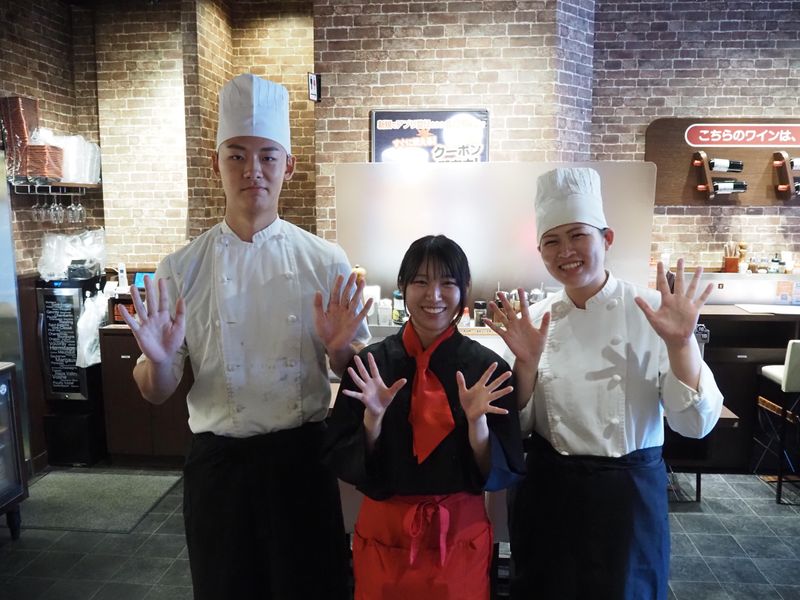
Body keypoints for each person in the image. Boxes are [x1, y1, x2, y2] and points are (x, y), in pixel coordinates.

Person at [119, 73, 370, 600]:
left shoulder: (325, 260)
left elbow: (355, 374)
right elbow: (156, 391)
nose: (252, 170)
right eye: (236, 155)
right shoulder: (180, 268)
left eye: (267, 156)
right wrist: (159, 361)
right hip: (220, 472)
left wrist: (339, 350)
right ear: (216, 164)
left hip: (302, 463)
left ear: (288, 166)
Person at [487, 167, 724, 600]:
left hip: (627, 499)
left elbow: (694, 425)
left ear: (607, 239)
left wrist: (681, 344)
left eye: (578, 235)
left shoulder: (653, 310)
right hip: (549, 493)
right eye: (551, 241)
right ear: (540, 251)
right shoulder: (535, 320)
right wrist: (526, 365)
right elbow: (514, 429)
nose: (566, 251)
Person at [323, 234, 526, 600]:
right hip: (384, 538)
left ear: (464, 289)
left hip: (459, 539)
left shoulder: (488, 369)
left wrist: (477, 424)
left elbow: (501, 469)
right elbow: (342, 457)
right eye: (420, 281)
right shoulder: (370, 365)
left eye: (447, 282)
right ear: (403, 286)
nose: (434, 295)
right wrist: (373, 421)